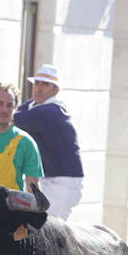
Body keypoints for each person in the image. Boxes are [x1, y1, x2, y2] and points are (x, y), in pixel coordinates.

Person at [13, 64, 84, 219]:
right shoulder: (34, 105)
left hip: (64, 182)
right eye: (37, 83)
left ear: (55, 90)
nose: (39, 88)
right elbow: (12, 111)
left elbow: (10, 118)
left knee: (51, 230)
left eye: (45, 84)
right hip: (47, 178)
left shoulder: (51, 111)